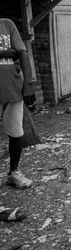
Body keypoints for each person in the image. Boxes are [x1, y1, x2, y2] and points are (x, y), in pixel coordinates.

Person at [0, 18, 36, 222]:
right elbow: (13, 52)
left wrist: (28, 83)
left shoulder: (7, 24)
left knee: (17, 134)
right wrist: (7, 52)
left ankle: (13, 172)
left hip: (13, 88)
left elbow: (21, 53)